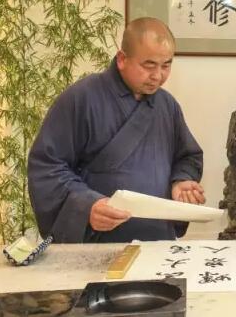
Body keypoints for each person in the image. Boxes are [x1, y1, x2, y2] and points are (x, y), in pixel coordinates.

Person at [28, 17, 204, 243]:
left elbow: (187, 156)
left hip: (158, 241)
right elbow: (47, 166)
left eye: (166, 65)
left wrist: (181, 181)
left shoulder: (167, 105)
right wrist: (86, 206)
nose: (158, 76)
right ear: (122, 59)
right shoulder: (82, 98)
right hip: (98, 241)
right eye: (149, 65)